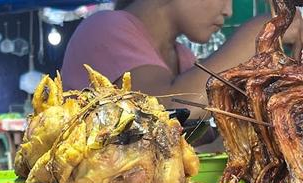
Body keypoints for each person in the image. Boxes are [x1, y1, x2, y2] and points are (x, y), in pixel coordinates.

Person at [61, 0, 303, 117]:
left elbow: (196, 144)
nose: (228, 11)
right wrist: (259, 33)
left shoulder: (183, 58)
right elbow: (165, 113)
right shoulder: (105, 27)